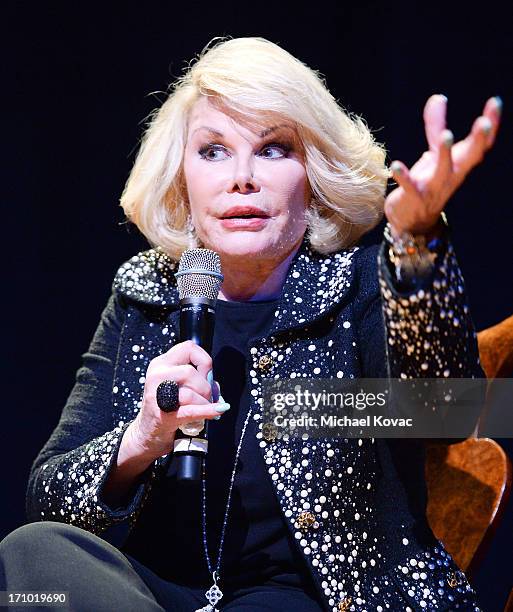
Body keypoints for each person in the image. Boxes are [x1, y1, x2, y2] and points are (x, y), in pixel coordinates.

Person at [0, 36, 502, 612]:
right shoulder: (145, 295)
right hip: (162, 598)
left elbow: (452, 413)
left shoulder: (359, 284)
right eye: (213, 151)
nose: (242, 177)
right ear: (182, 180)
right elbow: (47, 495)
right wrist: (141, 438)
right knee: (35, 559)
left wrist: (416, 246)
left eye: (273, 149)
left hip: (314, 602)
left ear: (314, 176)